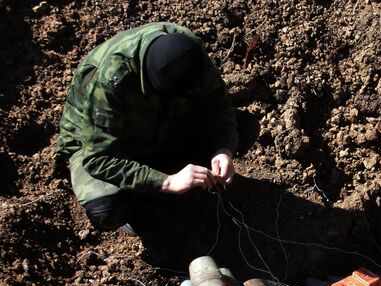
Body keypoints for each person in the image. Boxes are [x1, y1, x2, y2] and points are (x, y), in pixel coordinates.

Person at [56, 22, 259, 231]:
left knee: (244, 128)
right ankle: (144, 199)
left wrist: (223, 149)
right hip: (113, 142)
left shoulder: (188, 51)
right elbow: (98, 158)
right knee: (106, 210)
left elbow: (219, 104)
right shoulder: (109, 81)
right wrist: (166, 182)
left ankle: (176, 174)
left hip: (167, 125)